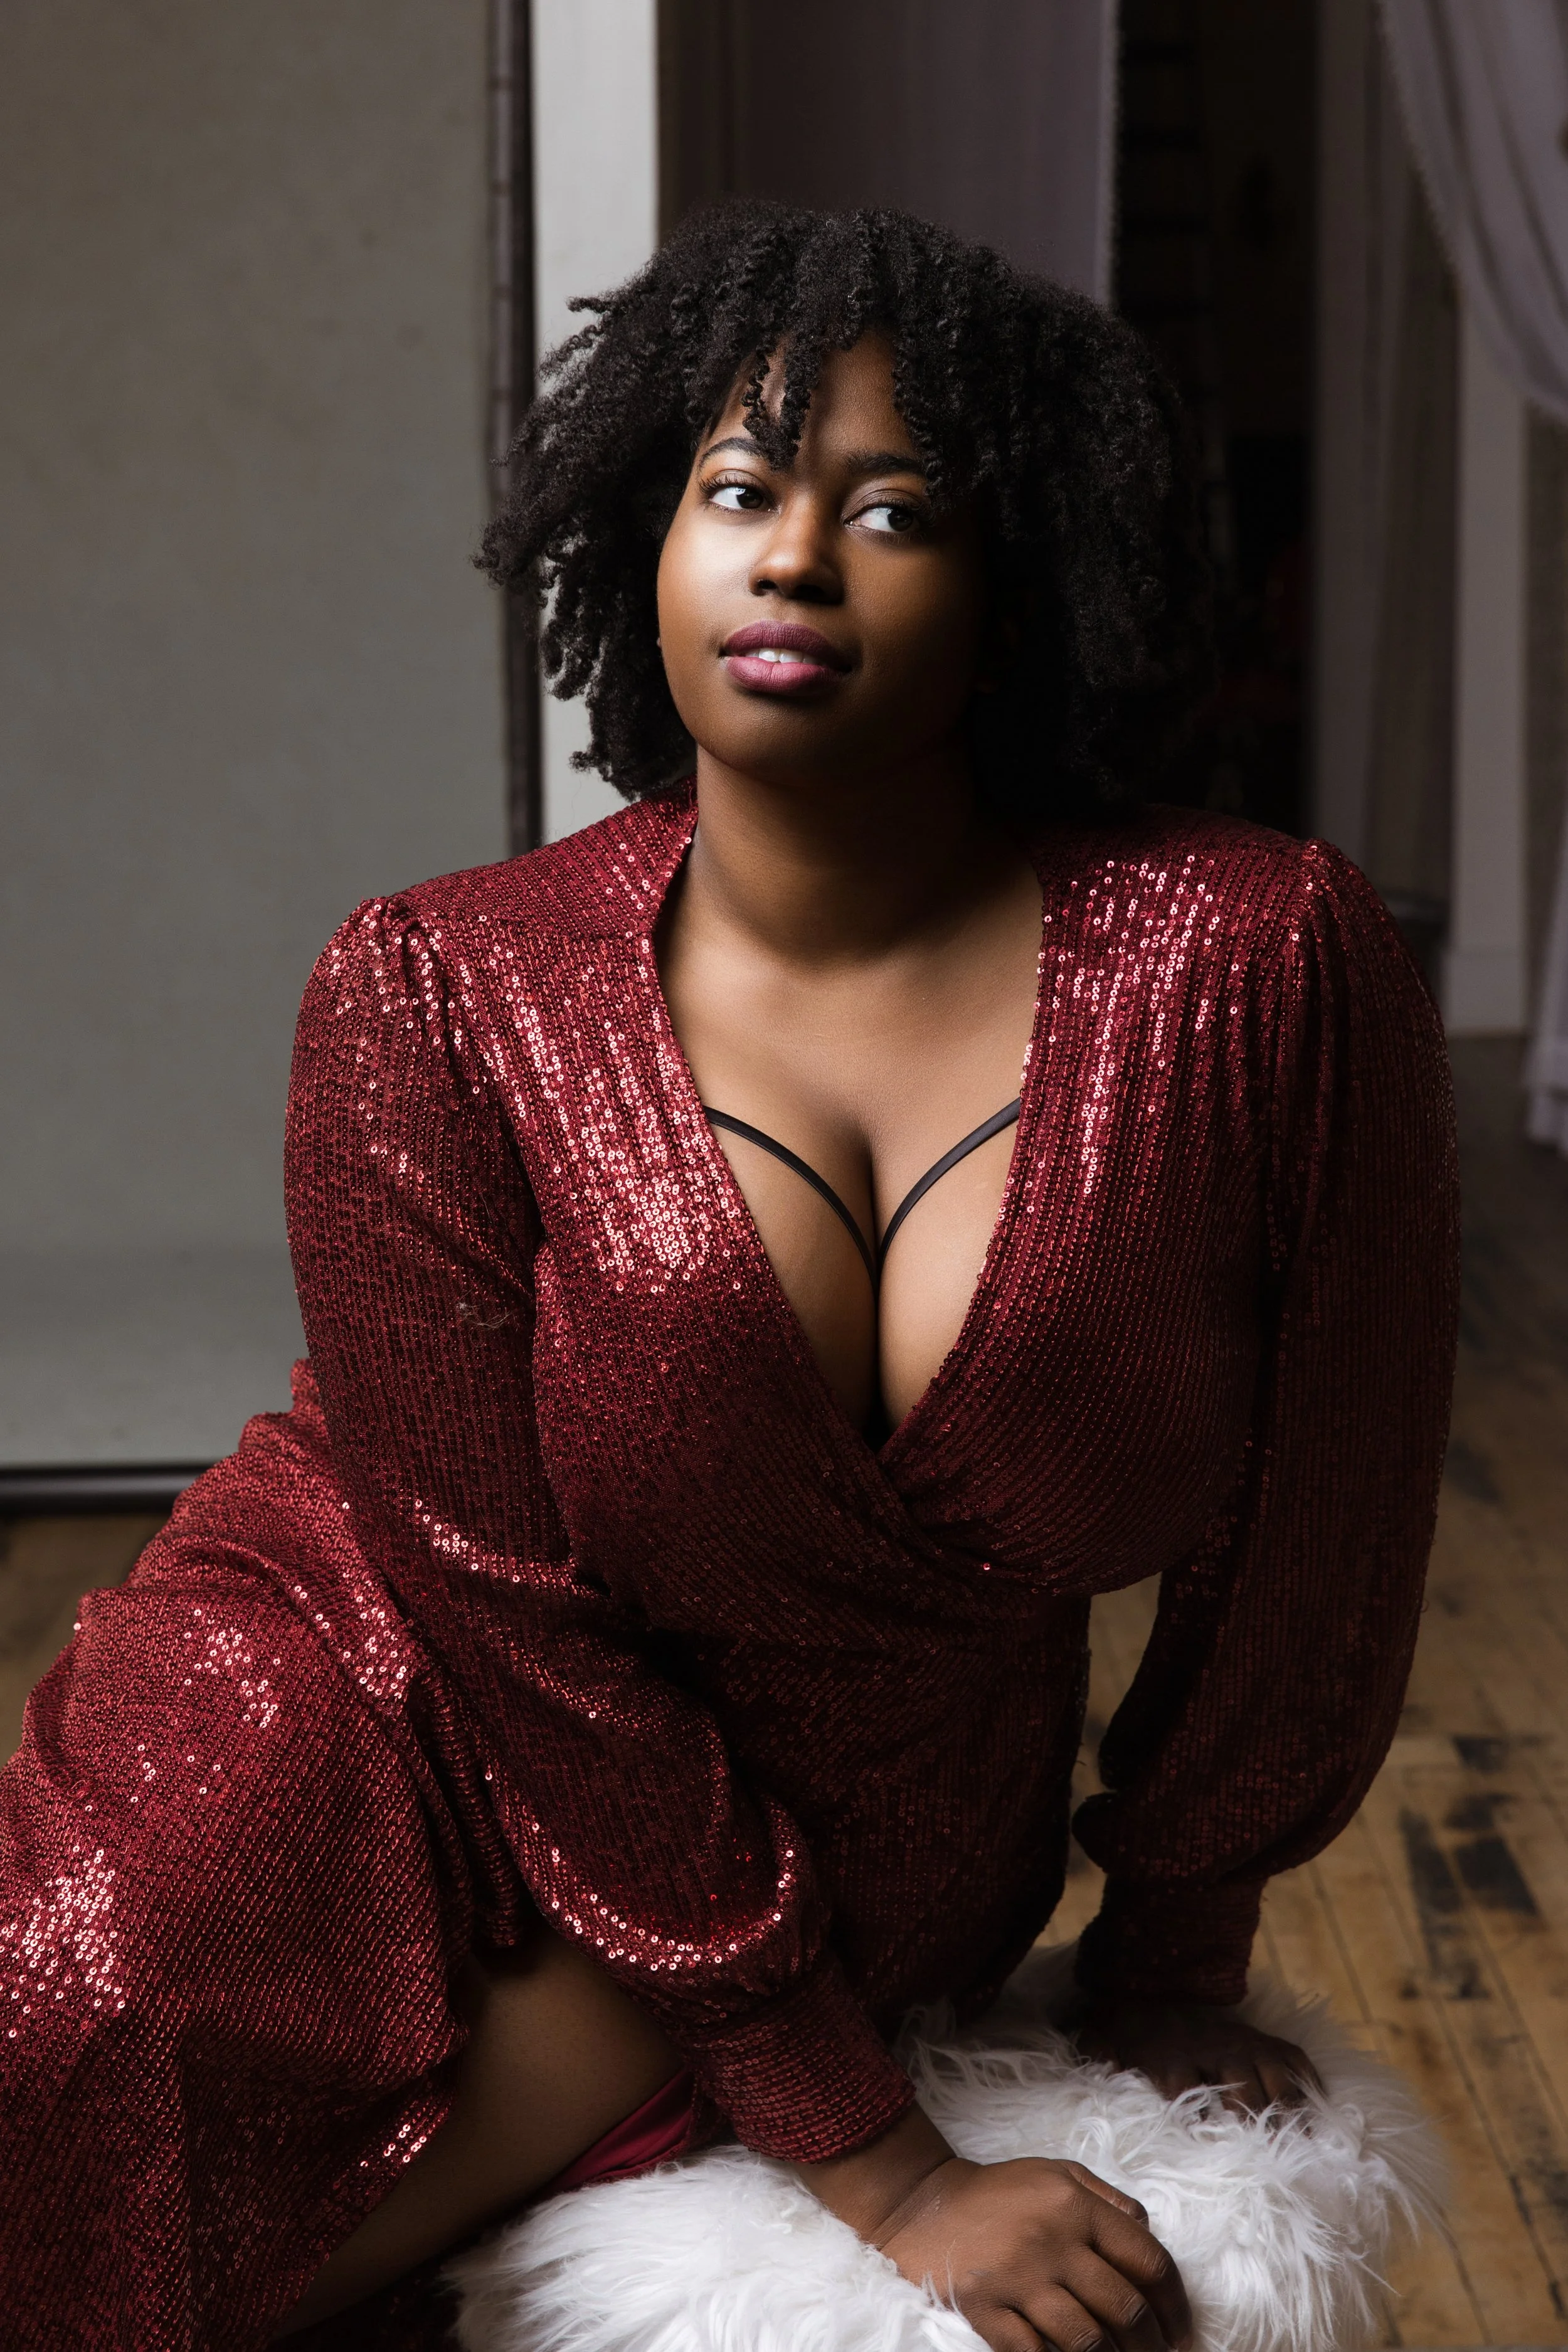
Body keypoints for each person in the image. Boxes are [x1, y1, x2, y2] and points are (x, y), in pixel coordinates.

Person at [0, 203, 1458, 2352]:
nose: (793, 558)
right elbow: (485, 1594)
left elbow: (1327, 1521)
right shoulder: (434, 987)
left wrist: (1171, 1949)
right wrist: (881, 2169)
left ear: (1021, 576)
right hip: (358, 1685)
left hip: (868, 1802)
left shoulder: (1255, 964)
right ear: (645, 547)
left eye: (892, 509)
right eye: (737, 492)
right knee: (76, 2022)